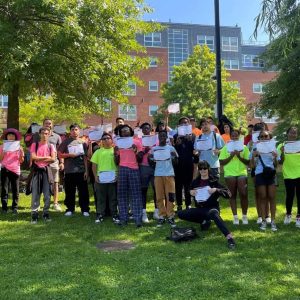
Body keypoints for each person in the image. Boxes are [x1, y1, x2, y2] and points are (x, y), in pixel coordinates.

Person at [178, 160, 235, 249]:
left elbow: (228, 194)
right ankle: (204, 221)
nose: (203, 170)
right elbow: (188, 192)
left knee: (213, 214)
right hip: (200, 208)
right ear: (198, 170)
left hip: (212, 208)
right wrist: (190, 192)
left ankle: (229, 237)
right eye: (200, 168)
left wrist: (216, 190)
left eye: (205, 168)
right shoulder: (195, 182)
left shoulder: (214, 180)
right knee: (180, 214)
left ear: (208, 169)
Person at [114, 124, 143, 227]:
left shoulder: (137, 142)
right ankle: (123, 218)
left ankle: (138, 219)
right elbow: (116, 162)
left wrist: (135, 151)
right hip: (122, 169)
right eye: (123, 131)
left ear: (131, 132)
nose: (125, 132)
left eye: (127, 130)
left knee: (136, 194)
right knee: (122, 195)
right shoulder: (118, 143)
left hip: (134, 169)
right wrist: (115, 153)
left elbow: (140, 159)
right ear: (120, 133)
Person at [58, 124, 90, 217]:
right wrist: (69, 155)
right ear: (70, 131)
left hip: (81, 170)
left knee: (83, 191)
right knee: (70, 191)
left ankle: (85, 209)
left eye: (76, 129)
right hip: (69, 170)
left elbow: (85, 157)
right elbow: (59, 154)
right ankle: (70, 209)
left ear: (79, 131)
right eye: (72, 129)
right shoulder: (65, 142)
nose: (74, 131)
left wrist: (86, 171)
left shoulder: (83, 142)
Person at [219, 129, 250, 225]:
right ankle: (235, 216)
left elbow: (248, 162)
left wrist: (239, 156)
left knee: (243, 193)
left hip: (241, 172)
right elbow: (221, 162)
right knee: (232, 194)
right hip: (230, 173)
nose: (234, 137)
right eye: (233, 136)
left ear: (239, 136)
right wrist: (231, 156)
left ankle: (244, 216)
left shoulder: (244, 147)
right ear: (230, 136)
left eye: (236, 136)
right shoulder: (226, 148)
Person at [33, 118, 63, 212]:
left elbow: (60, 151)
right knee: (39, 184)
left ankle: (55, 203)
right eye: (46, 123)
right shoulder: (37, 136)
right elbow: (33, 151)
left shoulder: (57, 136)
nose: (48, 125)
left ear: (52, 125)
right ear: (42, 124)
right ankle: (38, 204)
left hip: (53, 164)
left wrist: (62, 162)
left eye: (50, 123)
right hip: (39, 166)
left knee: (55, 183)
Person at [148, 130, 178, 227]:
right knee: (159, 196)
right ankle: (162, 215)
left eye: (164, 136)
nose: (162, 138)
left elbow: (176, 163)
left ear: (166, 138)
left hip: (169, 173)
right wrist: (150, 159)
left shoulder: (171, 148)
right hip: (158, 174)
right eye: (160, 136)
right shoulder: (154, 149)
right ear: (158, 137)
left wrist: (174, 158)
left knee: (170, 196)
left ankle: (170, 215)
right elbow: (151, 164)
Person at [251, 130, 278, 231]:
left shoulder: (273, 147)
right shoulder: (255, 147)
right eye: (261, 136)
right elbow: (252, 166)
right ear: (259, 138)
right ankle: (263, 220)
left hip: (271, 173)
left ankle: (273, 221)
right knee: (263, 197)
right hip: (259, 173)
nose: (263, 138)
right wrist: (253, 156)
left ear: (269, 137)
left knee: (272, 197)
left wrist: (275, 157)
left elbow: (276, 165)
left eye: (266, 136)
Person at [91, 132, 119, 224]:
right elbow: (94, 165)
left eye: (108, 138)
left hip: (113, 178)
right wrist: (95, 176)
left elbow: (119, 164)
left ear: (112, 140)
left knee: (113, 197)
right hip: (101, 178)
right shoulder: (98, 152)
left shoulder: (115, 151)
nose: (106, 140)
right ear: (101, 141)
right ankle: (100, 214)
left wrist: (117, 175)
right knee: (101, 198)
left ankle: (114, 214)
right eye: (104, 139)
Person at [30, 127, 56, 223]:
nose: (44, 135)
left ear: (49, 135)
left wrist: (39, 158)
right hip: (37, 171)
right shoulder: (34, 144)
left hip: (46, 171)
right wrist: (46, 157)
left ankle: (46, 213)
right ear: (39, 134)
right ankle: (34, 214)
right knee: (35, 194)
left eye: (46, 133)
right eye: (43, 133)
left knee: (47, 194)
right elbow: (33, 157)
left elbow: (53, 159)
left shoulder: (51, 146)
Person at [277, 126, 300, 226]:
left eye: (295, 133)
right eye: (291, 132)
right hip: (288, 174)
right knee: (290, 195)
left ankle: (299, 217)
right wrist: (282, 152)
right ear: (287, 133)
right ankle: (288, 215)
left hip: (299, 173)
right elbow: (280, 161)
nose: (293, 134)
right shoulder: (281, 145)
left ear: (297, 134)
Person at [173, 117, 196, 210]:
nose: (184, 124)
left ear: (189, 124)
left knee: (188, 185)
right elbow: (172, 152)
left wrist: (190, 140)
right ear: (179, 125)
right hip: (178, 165)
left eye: (186, 123)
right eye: (182, 123)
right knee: (178, 185)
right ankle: (179, 204)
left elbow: (195, 151)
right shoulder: (175, 136)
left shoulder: (193, 136)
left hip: (188, 164)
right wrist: (176, 144)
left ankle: (188, 204)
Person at [0, 128, 24, 214]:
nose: (11, 137)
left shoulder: (19, 147)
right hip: (5, 169)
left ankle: (15, 207)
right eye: (9, 135)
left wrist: (21, 153)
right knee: (4, 189)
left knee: (15, 190)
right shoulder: (2, 146)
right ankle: (4, 208)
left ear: (15, 137)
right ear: (6, 136)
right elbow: (0, 159)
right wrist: (4, 151)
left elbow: (21, 161)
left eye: (12, 135)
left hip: (15, 169)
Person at [139, 122, 158, 222]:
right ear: (141, 130)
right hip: (143, 167)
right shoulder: (139, 140)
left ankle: (156, 211)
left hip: (154, 167)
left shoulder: (155, 139)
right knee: (144, 190)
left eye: (148, 128)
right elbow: (137, 156)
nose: (146, 130)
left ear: (151, 130)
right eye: (144, 128)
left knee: (156, 190)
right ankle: (143, 212)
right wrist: (144, 151)